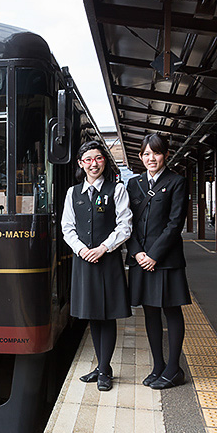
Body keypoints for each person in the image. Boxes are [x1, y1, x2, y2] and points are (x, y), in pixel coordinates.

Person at [62, 141, 132, 392]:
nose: (94, 163)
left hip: (108, 260)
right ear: (81, 163)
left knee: (107, 315)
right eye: (88, 159)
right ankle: (103, 366)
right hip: (84, 261)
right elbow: (67, 227)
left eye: (98, 159)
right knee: (93, 314)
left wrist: (103, 248)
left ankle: (104, 369)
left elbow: (124, 225)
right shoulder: (73, 193)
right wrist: (81, 249)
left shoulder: (118, 189)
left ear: (105, 161)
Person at [126, 133, 190, 390]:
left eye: (157, 153)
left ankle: (174, 368)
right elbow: (126, 223)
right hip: (141, 259)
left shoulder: (177, 182)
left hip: (166, 260)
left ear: (166, 154)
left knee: (171, 311)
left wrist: (153, 255)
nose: (151, 158)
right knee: (150, 311)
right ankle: (158, 366)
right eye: (147, 154)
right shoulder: (134, 184)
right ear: (141, 156)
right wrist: (137, 253)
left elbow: (175, 224)